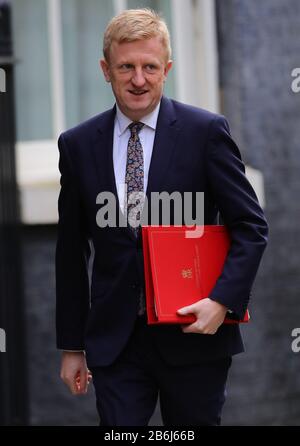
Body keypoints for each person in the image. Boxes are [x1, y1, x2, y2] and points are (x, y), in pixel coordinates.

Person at [56, 8, 268, 426]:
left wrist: (222, 302)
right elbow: (70, 252)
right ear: (105, 69)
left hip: (194, 335)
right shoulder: (77, 145)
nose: (138, 79)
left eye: (150, 67)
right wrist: (71, 346)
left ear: (166, 68)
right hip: (116, 344)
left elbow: (251, 227)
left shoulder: (205, 132)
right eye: (126, 67)